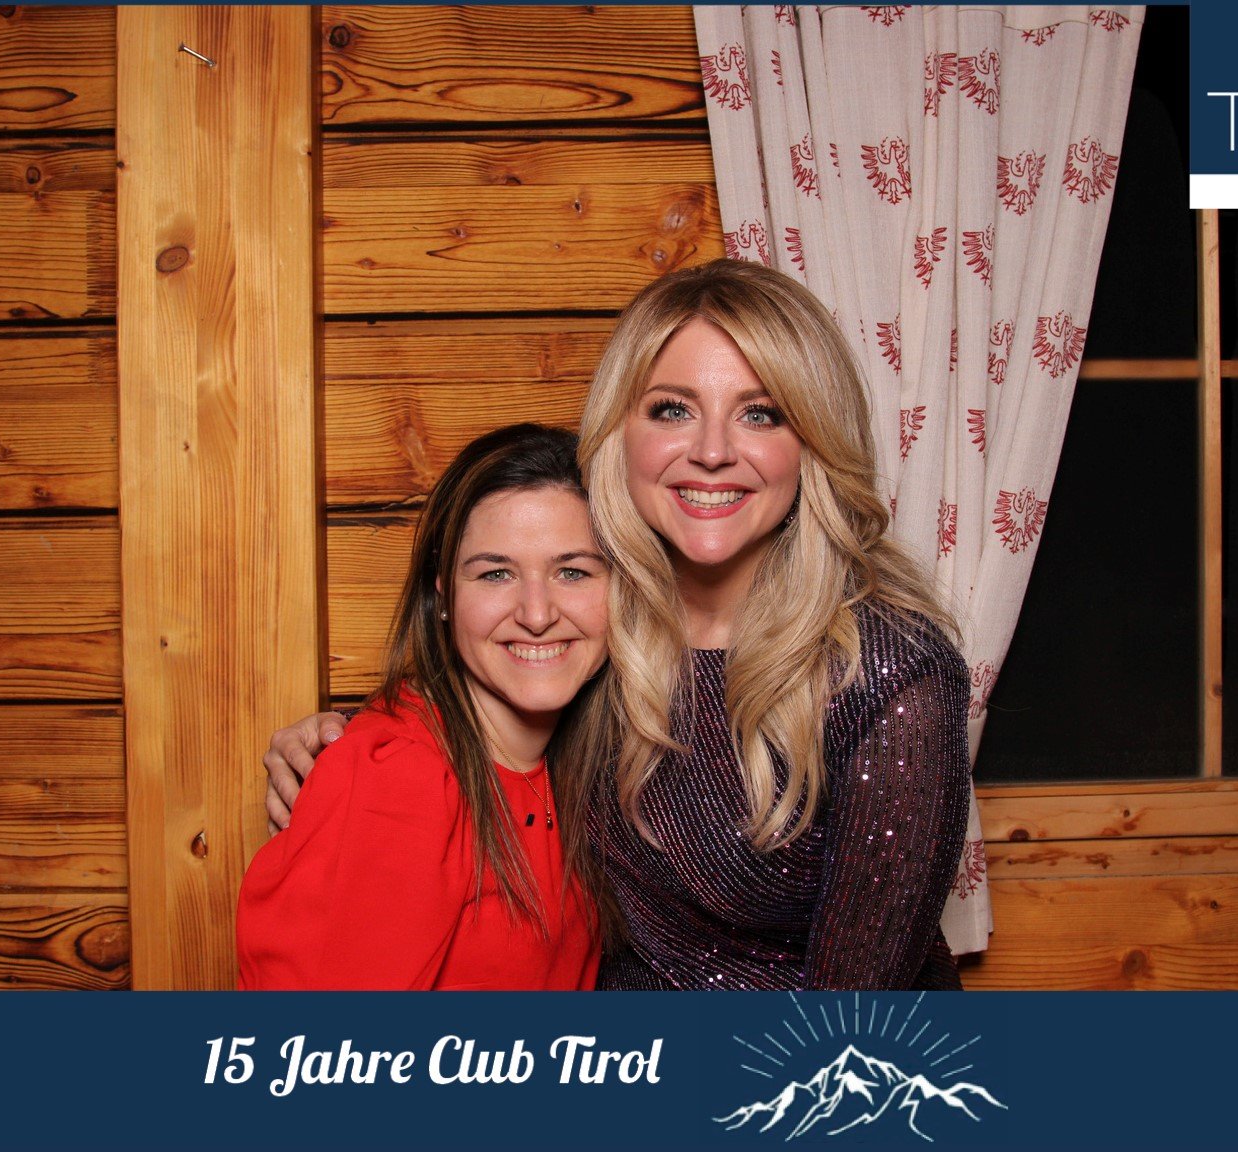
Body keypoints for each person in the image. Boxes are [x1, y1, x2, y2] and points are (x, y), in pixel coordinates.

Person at [265, 260, 970, 990]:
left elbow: (851, 1024)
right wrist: (348, 751)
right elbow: (488, 696)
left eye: (761, 413)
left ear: (814, 443)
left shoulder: (892, 673)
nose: (713, 451)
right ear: (619, 433)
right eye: (672, 410)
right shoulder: (606, 612)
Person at [237, 424, 609, 990]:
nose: (537, 614)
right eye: (496, 573)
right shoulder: (400, 778)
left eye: (573, 572)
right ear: (443, 595)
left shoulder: (582, 760)